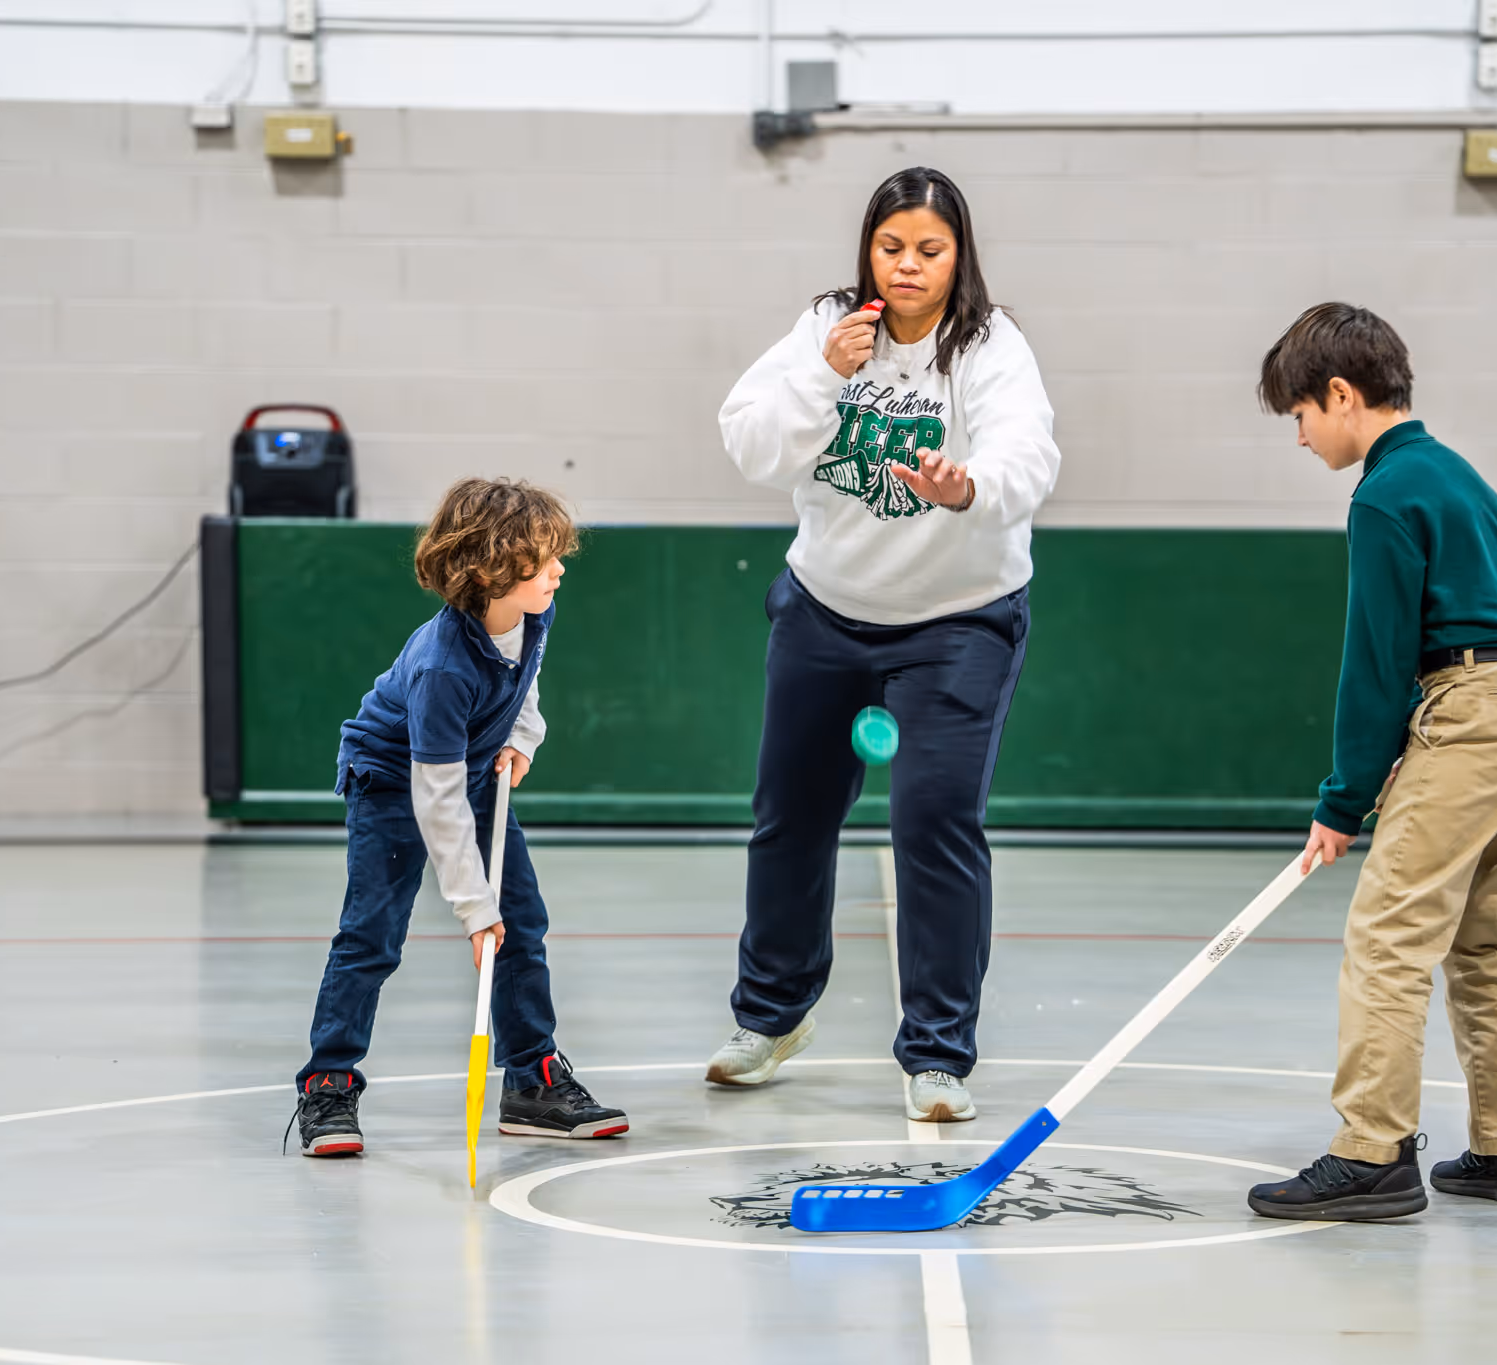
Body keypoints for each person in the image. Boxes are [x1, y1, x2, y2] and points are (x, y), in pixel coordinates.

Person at [709, 167, 1061, 1122]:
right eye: (892, 246)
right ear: (868, 248)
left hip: (959, 622)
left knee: (935, 824)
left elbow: (1030, 452)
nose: (909, 266)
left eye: (930, 250)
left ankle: (938, 1054)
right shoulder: (827, 325)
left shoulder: (989, 345)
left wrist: (968, 485)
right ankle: (771, 1015)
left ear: (960, 256)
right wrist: (825, 369)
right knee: (790, 816)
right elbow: (749, 443)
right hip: (826, 609)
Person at [1244, 303, 1497, 1220]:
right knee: (1486, 936)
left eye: (1302, 415)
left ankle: (1371, 1153)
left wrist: (1344, 799)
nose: (1302, 435)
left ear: (1343, 394)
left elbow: (1378, 661)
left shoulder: (1386, 495)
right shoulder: (1450, 469)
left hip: (1481, 705)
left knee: (1389, 932)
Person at [288, 477, 629, 1156]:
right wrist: (473, 907)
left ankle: (532, 1079)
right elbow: (436, 798)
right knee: (373, 934)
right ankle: (328, 1081)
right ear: (490, 569)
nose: (560, 568)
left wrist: (520, 738)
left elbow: (527, 682)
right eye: (543, 557)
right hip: (392, 778)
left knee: (522, 923)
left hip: (471, 765)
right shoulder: (443, 668)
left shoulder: (535, 613)